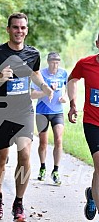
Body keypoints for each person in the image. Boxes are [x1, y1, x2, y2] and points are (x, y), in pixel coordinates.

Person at [0, 12, 53, 222]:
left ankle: (19, 202)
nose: (19, 31)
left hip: (24, 111)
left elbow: (35, 73)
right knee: (0, 158)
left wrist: (44, 85)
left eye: (23, 28)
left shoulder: (33, 53)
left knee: (25, 154)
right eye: (15, 27)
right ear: (8, 29)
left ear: (27, 30)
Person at [67, 34, 99, 222]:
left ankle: (93, 195)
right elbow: (72, 80)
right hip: (93, 123)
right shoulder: (85, 64)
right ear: (97, 44)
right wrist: (72, 103)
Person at [31, 52, 67, 185]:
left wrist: (65, 97)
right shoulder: (40, 74)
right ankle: (42, 167)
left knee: (58, 139)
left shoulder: (63, 73)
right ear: (48, 61)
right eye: (52, 61)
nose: (55, 64)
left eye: (57, 61)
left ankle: (56, 170)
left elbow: (67, 88)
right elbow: (32, 95)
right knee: (43, 143)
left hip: (58, 111)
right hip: (42, 112)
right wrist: (45, 91)